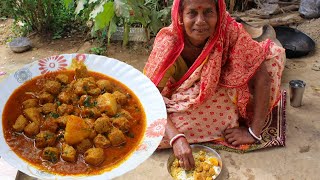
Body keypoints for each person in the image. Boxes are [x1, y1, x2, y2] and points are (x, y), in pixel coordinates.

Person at [144, 0, 285, 170]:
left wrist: (253, 132)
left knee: (269, 66)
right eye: (192, 13)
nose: (200, 21)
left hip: (223, 86)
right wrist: (176, 138)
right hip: (183, 92)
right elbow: (149, 97)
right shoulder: (169, 43)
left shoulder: (229, 31)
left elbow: (262, 78)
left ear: (219, 15)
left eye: (208, 12)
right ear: (180, 16)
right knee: (152, 134)